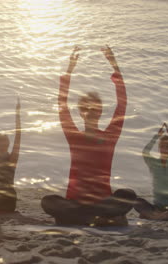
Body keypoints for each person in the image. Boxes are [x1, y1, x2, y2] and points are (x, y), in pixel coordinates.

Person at [41, 46, 136, 226]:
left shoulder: (110, 136)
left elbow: (122, 105)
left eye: (95, 107)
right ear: (80, 112)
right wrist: (69, 71)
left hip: (101, 202)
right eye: (86, 108)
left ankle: (84, 217)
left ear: (100, 111)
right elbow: (62, 104)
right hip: (76, 202)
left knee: (128, 194)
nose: (90, 111)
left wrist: (115, 66)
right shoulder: (74, 136)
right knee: (47, 200)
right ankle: (96, 217)